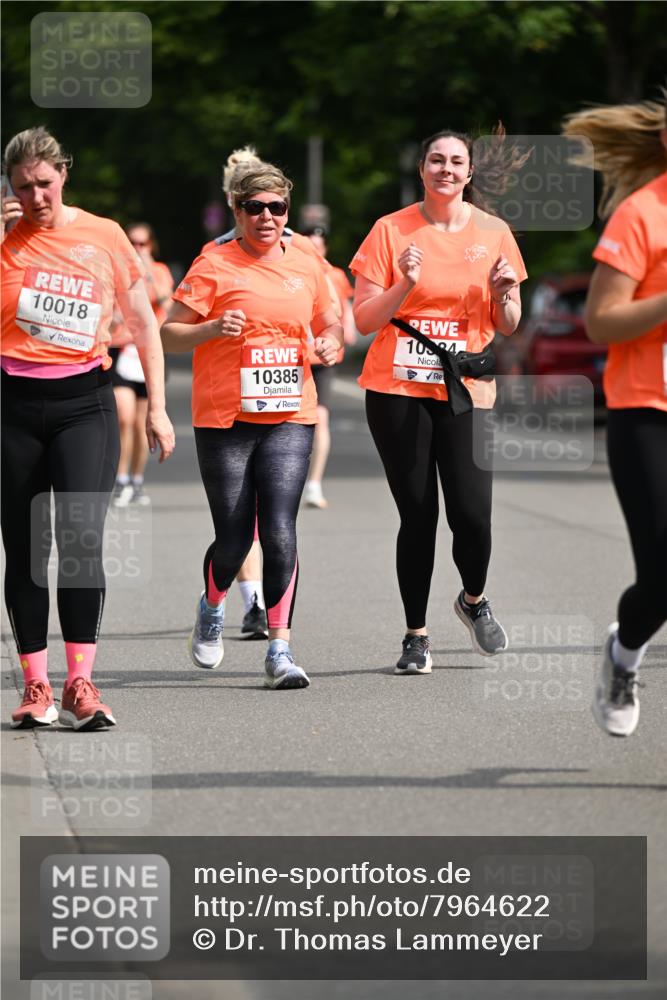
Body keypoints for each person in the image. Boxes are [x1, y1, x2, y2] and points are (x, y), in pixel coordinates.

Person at [1, 127, 174, 730]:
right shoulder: (4, 239)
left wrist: (156, 406)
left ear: (63, 174)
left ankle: (80, 682)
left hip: (85, 403)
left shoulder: (103, 235)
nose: (35, 197)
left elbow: (144, 325)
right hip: (13, 405)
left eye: (44, 183)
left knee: (80, 544)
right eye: (22, 187)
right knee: (26, 551)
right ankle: (35, 686)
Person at [350, 128, 527, 674]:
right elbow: (362, 320)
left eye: (456, 162)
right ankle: (416, 635)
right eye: (436, 160)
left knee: (473, 515)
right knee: (419, 514)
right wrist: (404, 283)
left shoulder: (495, 232)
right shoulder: (390, 230)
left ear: (469, 174)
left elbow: (510, 323)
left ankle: (473, 600)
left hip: (466, 390)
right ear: (422, 168)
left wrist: (503, 296)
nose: (445, 169)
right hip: (397, 388)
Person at [161, 163, 342, 688]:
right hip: (226, 417)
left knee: (281, 529)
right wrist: (213, 328)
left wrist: (329, 342)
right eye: (254, 207)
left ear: (287, 211)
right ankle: (213, 604)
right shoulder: (214, 262)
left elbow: (330, 322)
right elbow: (169, 333)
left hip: (291, 413)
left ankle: (280, 651)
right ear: (237, 211)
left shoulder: (307, 261)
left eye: (277, 208)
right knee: (235, 538)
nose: (267, 217)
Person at [563, 96, 667, 737]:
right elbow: (600, 320)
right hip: (648, 412)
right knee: (661, 572)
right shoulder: (642, 213)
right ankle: (624, 652)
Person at [111, 222, 174, 507]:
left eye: (142, 244)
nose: (137, 249)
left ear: (151, 246)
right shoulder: (116, 268)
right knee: (122, 417)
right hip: (120, 350)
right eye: (132, 243)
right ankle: (120, 478)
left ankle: (136, 480)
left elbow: (165, 301)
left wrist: (145, 267)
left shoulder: (158, 271)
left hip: (148, 356)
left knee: (140, 424)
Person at [301, 225, 357, 510]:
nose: (314, 252)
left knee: (320, 419)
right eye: (308, 246)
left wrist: (346, 332)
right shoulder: (292, 270)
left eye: (318, 247)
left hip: (323, 359)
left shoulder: (334, 275)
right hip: (294, 358)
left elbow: (344, 307)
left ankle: (313, 484)